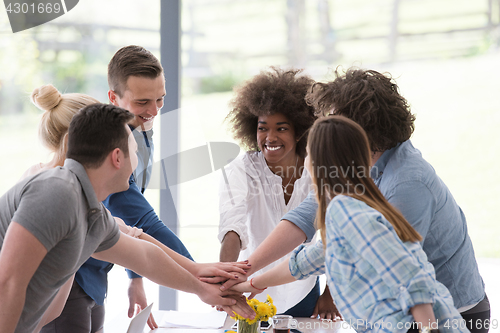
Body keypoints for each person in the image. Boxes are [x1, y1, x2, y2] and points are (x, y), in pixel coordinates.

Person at [222, 68, 489, 333]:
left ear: (358, 131)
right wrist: (246, 274)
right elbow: (308, 230)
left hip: (450, 316)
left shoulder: (408, 182)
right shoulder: (351, 173)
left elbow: (406, 273)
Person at [0, 103, 250, 333]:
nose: (138, 161)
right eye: (134, 151)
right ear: (117, 157)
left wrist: (200, 286)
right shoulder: (58, 192)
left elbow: (145, 257)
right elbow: (8, 282)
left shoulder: (91, 214)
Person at [41, 45, 192, 332]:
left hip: (94, 280)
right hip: (73, 282)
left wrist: (135, 278)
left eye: (161, 99)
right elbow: (143, 222)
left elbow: (127, 223)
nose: (154, 111)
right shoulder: (111, 154)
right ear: (114, 98)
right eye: (143, 102)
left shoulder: (141, 131)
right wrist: (207, 280)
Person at [218, 67, 337, 318]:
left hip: (304, 292)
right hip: (250, 294)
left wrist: (329, 294)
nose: (270, 137)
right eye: (263, 128)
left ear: (301, 130)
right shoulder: (241, 170)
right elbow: (232, 226)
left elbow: (337, 237)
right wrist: (225, 284)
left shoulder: (317, 169)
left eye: (281, 128)